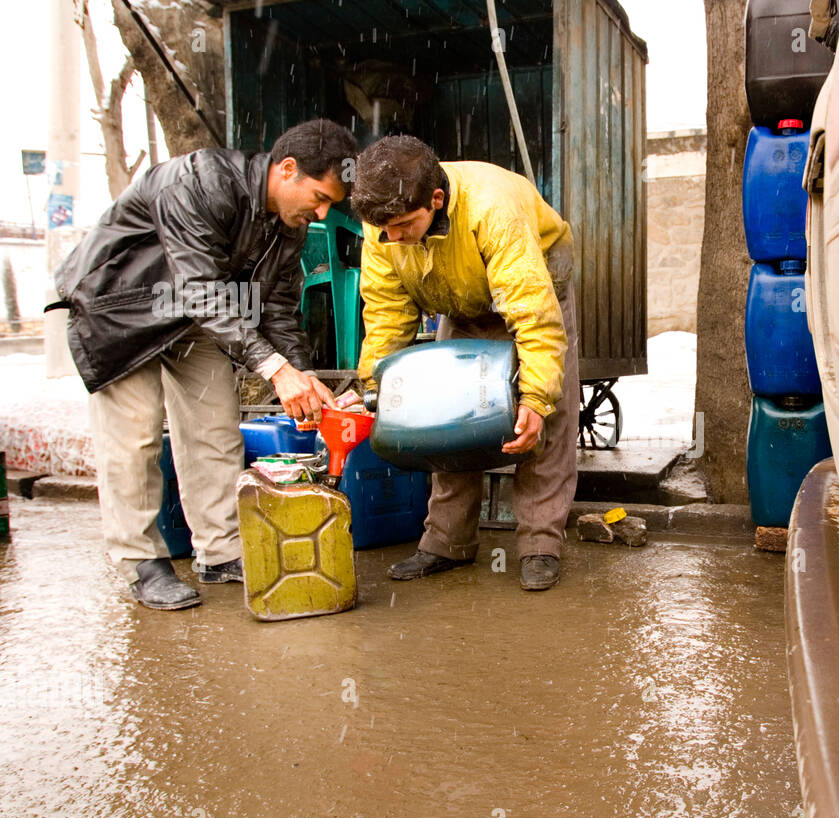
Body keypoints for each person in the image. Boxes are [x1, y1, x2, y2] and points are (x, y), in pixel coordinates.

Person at [52, 119, 357, 610]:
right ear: (287, 169)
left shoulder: (290, 227)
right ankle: (141, 562)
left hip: (196, 321)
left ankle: (219, 552)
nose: (322, 211)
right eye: (319, 196)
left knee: (215, 431)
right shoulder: (198, 181)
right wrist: (274, 370)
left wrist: (305, 378)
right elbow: (200, 288)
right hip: (123, 309)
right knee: (136, 436)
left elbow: (276, 308)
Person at [350, 135, 578, 591]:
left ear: (436, 200)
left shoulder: (493, 208)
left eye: (403, 226)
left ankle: (540, 544)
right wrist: (374, 386)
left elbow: (532, 311)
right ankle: (446, 543)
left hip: (536, 289)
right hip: (459, 301)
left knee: (541, 422)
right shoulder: (384, 227)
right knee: (444, 413)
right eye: (384, 231)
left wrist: (534, 396)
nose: (392, 238)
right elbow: (387, 311)